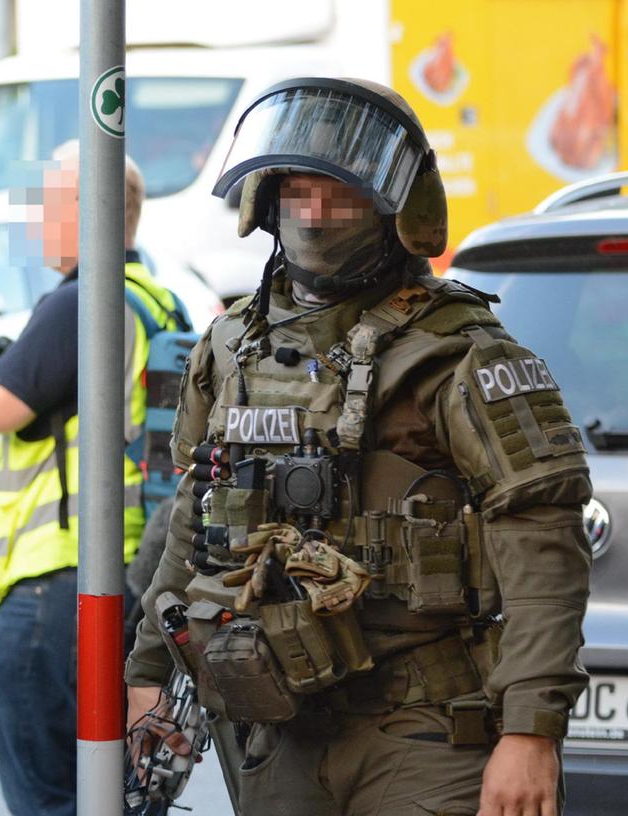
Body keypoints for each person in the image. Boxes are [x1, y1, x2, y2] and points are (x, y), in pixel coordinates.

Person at [124, 78, 591, 816]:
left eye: (337, 196)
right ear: (265, 204)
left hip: (426, 730)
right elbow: (195, 511)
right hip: (278, 727)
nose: (314, 216)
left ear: (390, 209)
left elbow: (542, 541)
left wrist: (530, 731)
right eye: (297, 194)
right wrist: (148, 670)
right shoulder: (229, 347)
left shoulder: (454, 355)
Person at [0, 140, 187, 816]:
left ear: (87, 210)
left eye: (48, 205)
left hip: (57, 590)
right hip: (128, 577)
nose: (35, 223)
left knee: (49, 799)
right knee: (111, 794)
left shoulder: (79, 304)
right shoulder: (156, 301)